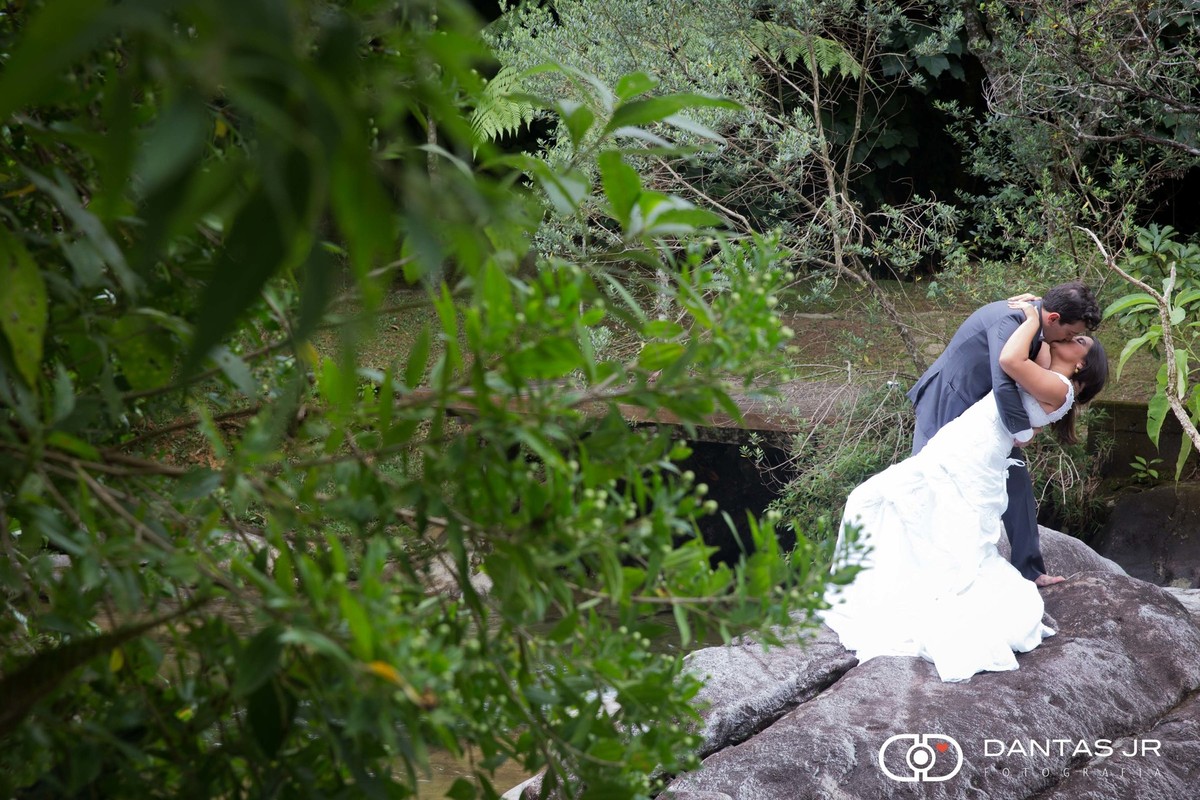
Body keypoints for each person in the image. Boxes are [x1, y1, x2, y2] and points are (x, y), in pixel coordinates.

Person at [821, 295, 1108, 682]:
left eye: (1077, 340)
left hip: (975, 444)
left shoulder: (1056, 383)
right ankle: (902, 578)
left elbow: (1011, 366)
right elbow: (1023, 360)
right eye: (1073, 333)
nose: (1070, 339)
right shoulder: (1042, 352)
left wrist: (1030, 317)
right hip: (954, 410)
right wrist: (1035, 312)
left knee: (921, 503)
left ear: (1079, 364)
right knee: (897, 497)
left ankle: (938, 587)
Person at [906, 282, 1102, 586]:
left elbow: (1035, 383)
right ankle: (920, 568)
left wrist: (1038, 307)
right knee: (925, 483)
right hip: (948, 400)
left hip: (987, 417)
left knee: (1018, 482)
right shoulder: (1012, 321)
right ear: (1054, 320)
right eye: (1068, 333)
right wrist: (1021, 429)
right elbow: (1004, 378)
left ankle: (1030, 569)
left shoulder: (1040, 329)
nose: (1067, 338)